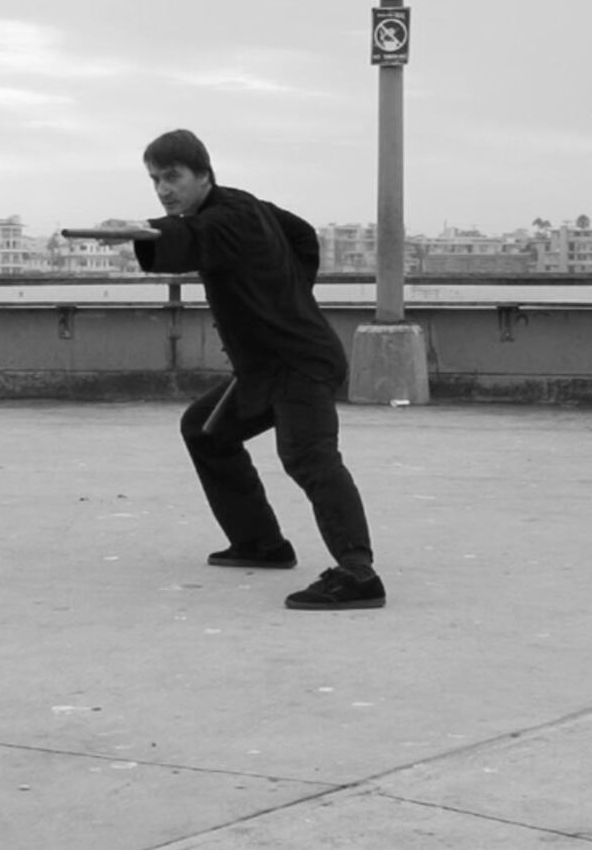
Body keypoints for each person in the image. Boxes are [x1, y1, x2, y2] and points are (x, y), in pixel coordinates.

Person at [96, 129, 384, 610]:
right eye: (155, 180)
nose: (163, 189)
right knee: (206, 431)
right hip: (264, 369)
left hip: (298, 362)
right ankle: (261, 543)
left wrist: (142, 231)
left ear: (203, 175)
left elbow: (196, 237)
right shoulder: (248, 206)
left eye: (172, 177)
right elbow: (301, 234)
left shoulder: (227, 216)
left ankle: (359, 572)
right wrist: (290, 291)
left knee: (309, 457)